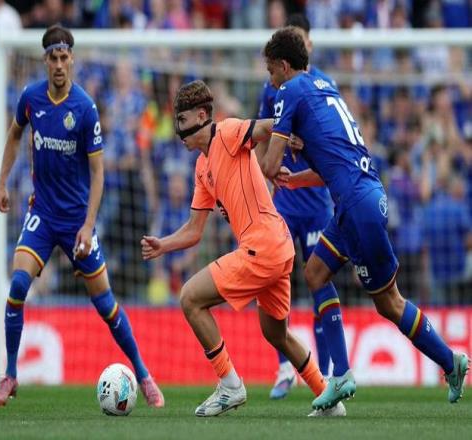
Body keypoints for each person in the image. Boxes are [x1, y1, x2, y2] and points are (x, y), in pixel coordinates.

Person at [260, 27, 469, 410]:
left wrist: (263, 161)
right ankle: (340, 374)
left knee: (389, 302)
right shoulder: (324, 88)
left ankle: (450, 361)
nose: (270, 81)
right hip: (358, 198)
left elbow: (270, 164)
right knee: (315, 273)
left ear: (284, 66)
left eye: (271, 71)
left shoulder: (289, 90)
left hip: (357, 204)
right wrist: (296, 178)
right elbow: (333, 165)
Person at [141, 79, 339, 417]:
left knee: (190, 298)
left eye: (182, 120)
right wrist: (164, 245)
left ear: (202, 115)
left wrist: (292, 133)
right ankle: (327, 397)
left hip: (263, 247)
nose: (178, 130)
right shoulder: (202, 168)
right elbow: (194, 230)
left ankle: (230, 384)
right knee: (276, 333)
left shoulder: (228, 132)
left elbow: (263, 127)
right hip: (277, 248)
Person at [0, 25, 164, 408]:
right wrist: (1, 182)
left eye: (64, 57)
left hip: (76, 223)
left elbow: (98, 173)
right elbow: (15, 134)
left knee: (106, 305)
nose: (58, 64)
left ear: (72, 60)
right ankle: (10, 375)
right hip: (42, 214)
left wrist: (88, 225)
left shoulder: (84, 108)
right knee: (17, 286)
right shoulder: (30, 98)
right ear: (45, 60)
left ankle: (144, 374)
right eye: (52, 58)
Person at [257, 13, 336, 403]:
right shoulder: (273, 88)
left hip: (317, 203)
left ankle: (328, 371)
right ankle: (285, 366)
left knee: (319, 280)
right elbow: (262, 133)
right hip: (285, 200)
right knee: (273, 276)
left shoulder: (323, 85)